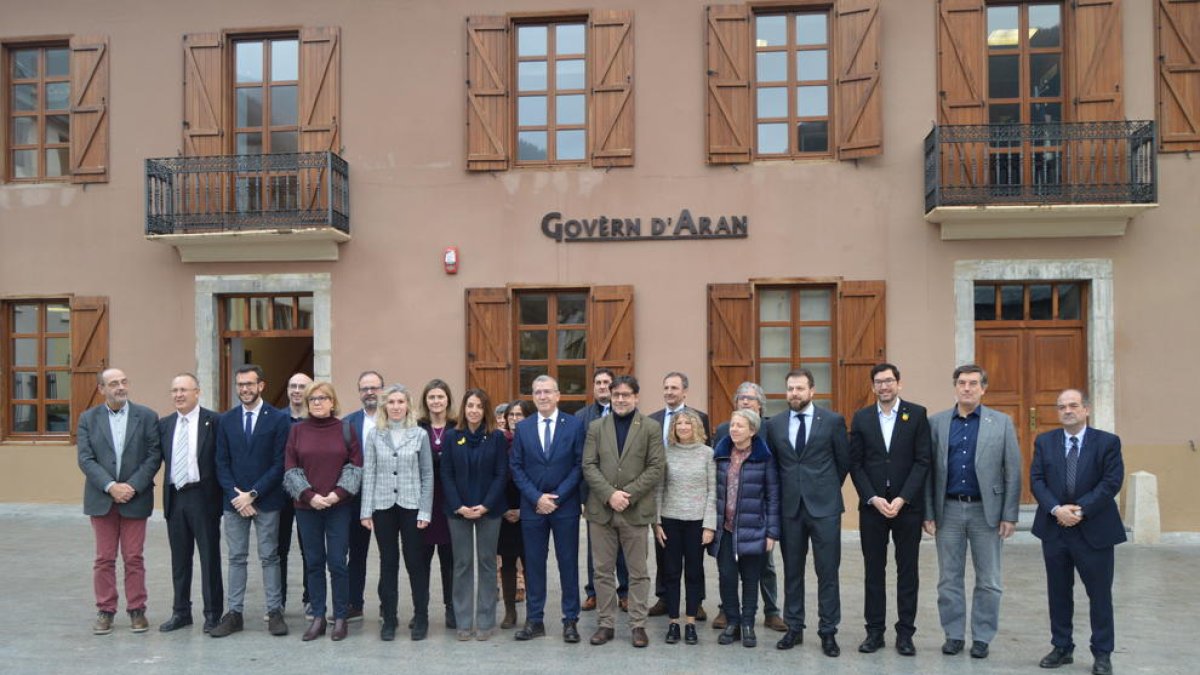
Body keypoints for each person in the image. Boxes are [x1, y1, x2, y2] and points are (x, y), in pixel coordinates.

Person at [924, 364, 1021, 660]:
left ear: (983, 388)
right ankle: (953, 635)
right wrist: (928, 512)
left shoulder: (1001, 423)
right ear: (955, 387)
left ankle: (982, 636)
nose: (967, 388)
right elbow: (928, 472)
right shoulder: (936, 423)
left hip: (986, 512)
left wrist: (1009, 514)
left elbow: (1012, 471)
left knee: (989, 580)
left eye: (973, 383)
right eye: (962, 383)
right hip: (948, 510)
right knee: (948, 578)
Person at [1031, 389, 1125, 675]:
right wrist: (1056, 509)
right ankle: (1062, 647)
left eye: (1073, 405)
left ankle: (1102, 652)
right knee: (1058, 592)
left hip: (1094, 529)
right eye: (1061, 407)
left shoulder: (1107, 442)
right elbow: (1036, 480)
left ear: (1086, 409)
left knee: (1099, 594)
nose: (1067, 410)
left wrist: (1080, 510)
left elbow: (1111, 482)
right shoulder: (1045, 441)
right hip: (1055, 529)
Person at [763, 368, 850, 656]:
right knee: (793, 572)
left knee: (827, 572)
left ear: (812, 391)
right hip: (790, 509)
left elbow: (842, 462)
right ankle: (794, 628)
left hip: (824, 508)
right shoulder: (774, 424)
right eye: (790, 389)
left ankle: (828, 631)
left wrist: (822, 488)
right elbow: (773, 467)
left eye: (800, 388)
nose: (794, 394)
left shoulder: (833, 421)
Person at [848, 363, 931, 656]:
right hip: (873, 509)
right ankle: (875, 632)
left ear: (899, 383)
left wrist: (903, 498)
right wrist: (872, 497)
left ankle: (905, 634)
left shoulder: (917, 415)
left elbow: (923, 461)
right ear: (873, 387)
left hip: (906, 509)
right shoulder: (861, 418)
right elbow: (855, 463)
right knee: (874, 572)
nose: (884, 386)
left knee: (908, 571)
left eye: (889, 381)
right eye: (879, 382)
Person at [77, 368, 163, 635]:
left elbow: (153, 455)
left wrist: (132, 486)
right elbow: (85, 458)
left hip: (135, 498)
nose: (120, 387)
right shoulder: (88, 419)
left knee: (134, 557)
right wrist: (111, 486)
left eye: (124, 381)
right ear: (102, 389)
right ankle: (105, 610)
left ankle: (137, 610)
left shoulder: (147, 416)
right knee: (104, 558)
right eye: (113, 383)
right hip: (102, 498)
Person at [582, 375, 665, 648]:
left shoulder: (651, 427)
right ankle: (605, 624)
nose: (619, 399)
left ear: (636, 397)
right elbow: (588, 465)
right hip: (602, 511)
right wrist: (609, 495)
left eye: (625, 395)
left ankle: (638, 625)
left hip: (635, 510)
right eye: (615, 394)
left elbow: (656, 467)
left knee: (638, 571)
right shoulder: (596, 427)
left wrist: (627, 495)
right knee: (603, 571)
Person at [212, 364, 291, 638]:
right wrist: (238, 497)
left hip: (266, 501)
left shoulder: (278, 419)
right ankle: (234, 613)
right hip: (234, 503)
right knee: (236, 557)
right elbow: (220, 463)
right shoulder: (226, 420)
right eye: (240, 384)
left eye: (249, 384)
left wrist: (253, 494)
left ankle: (274, 611)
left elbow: (280, 463)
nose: (244, 389)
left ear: (261, 385)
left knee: (270, 556)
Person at [283, 381, 363, 642]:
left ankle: (340, 617)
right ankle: (318, 615)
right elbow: (291, 468)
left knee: (338, 562)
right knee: (314, 562)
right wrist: (310, 496)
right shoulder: (297, 431)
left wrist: (335, 495)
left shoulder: (346, 430)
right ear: (307, 404)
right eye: (312, 399)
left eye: (322, 398)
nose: (317, 402)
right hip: (306, 508)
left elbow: (354, 467)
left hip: (338, 508)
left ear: (332, 401)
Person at [509, 374, 586, 643]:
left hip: (565, 507)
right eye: (537, 392)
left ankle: (570, 620)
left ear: (558, 395)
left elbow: (579, 465)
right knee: (534, 565)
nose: (542, 396)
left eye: (547, 392)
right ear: (533, 396)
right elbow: (516, 466)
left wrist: (557, 496)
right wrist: (536, 497)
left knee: (568, 564)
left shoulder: (575, 425)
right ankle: (535, 620)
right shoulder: (524, 427)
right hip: (533, 509)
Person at [359, 384, 433, 641]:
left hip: (411, 506)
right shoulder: (375, 435)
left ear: (408, 406)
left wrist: (425, 510)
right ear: (384, 406)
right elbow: (368, 473)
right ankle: (389, 619)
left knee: (415, 563)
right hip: (383, 507)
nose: (396, 406)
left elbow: (427, 474)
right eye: (391, 402)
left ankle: (421, 617)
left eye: (401, 402)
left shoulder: (419, 435)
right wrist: (365, 511)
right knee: (388, 563)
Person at [710, 381, 784, 633]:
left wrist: (771, 525)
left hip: (757, 514)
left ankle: (771, 611)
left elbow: (776, 471)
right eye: (741, 397)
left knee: (764, 566)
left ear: (760, 405)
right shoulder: (723, 430)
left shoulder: (770, 430)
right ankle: (727, 611)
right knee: (727, 568)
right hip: (729, 517)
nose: (745, 401)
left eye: (750, 398)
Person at [158, 373, 224, 634]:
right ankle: (181, 612)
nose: (178, 395)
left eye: (184, 389)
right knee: (180, 560)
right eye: (174, 390)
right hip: (175, 497)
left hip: (203, 497)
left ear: (197, 392)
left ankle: (212, 614)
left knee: (209, 558)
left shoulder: (214, 421)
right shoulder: (165, 424)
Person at [442, 388, 509, 641]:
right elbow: (446, 473)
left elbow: (501, 473)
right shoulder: (452, 436)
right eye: (470, 405)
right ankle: (463, 621)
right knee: (462, 565)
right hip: (457, 510)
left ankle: (485, 621)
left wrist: (486, 505)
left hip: (489, 511)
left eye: (479, 406)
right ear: (463, 408)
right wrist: (458, 505)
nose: (473, 411)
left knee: (487, 563)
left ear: (485, 410)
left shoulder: (496, 438)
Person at [647, 371, 710, 619]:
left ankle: (697, 602)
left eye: (674, 388)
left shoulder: (699, 417)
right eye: (666, 388)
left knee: (695, 559)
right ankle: (664, 597)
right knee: (665, 554)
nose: (669, 392)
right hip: (664, 496)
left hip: (693, 499)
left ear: (684, 391)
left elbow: (705, 452)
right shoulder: (652, 420)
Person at [654, 409, 716, 646]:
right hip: (669, 520)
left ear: (696, 427)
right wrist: (656, 522)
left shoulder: (707, 454)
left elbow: (713, 492)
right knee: (670, 572)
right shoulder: (666, 453)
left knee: (693, 572)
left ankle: (690, 622)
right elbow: (658, 489)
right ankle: (673, 622)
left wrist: (709, 525)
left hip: (696, 523)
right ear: (673, 428)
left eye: (687, 423)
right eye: (678, 423)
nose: (682, 427)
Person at [576, 368, 629, 613]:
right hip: (594, 493)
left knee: (624, 545)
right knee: (595, 548)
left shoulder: (627, 415)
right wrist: (582, 496)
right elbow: (580, 459)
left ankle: (625, 592)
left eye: (606, 382)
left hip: (624, 493)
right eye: (597, 382)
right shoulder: (581, 417)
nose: (601, 386)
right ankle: (594, 592)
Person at [339, 370, 384, 622]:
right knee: (356, 552)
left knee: (389, 554)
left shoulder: (394, 418)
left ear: (382, 390)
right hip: (356, 498)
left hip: (389, 496)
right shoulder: (347, 423)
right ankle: (354, 603)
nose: (370, 392)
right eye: (365, 388)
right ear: (359, 393)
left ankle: (386, 604)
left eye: (374, 388)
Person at [418, 378, 458, 629]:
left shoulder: (457, 427)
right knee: (420, 562)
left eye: (440, 397)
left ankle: (452, 609)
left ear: (447, 400)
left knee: (450, 561)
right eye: (431, 397)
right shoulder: (417, 427)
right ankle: (420, 611)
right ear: (426, 401)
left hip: (450, 501)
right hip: (423, 502)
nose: (436, 401)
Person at [499, 399, 536, 629]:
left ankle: (533, 612)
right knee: (508, 562)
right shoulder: (498, 442)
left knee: (530, 562)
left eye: (519, 415)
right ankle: (510, 611)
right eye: (511, 415)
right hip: (503, 508)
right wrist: (503, 508)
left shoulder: (534, 442)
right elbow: (491, 476)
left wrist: (523, 509)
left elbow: (539, 478)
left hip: (529, 507)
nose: (514, 419)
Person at [280, 372, 312, 619]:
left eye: (302, 386)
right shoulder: (275, 419)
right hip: (279, 494)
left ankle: (310, 598)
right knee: (278, 548)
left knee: (308, 548)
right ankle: (277, 601)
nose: (297, 390)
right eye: (292, 386)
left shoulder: (317, 419)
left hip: (308, 494)